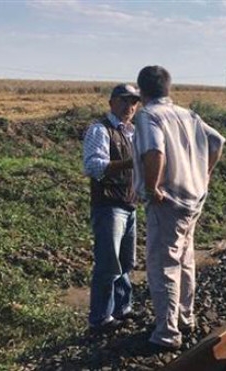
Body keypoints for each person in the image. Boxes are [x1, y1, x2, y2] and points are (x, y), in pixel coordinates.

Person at [132, 65, 226, 350]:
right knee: (185, 259)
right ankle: (186, 316)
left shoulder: (148, 115)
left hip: (169, 202)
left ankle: (167, 332)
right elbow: (218, 141)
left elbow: (155, 152)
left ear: (141, 91)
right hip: (194, 198)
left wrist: (152, 188)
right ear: (168, 88)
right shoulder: (189, 115)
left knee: (163, 265)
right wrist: (205, 172)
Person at [82, 83, 140, 332]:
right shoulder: (99, 130)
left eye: (134, 102)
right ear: (112, 103)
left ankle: (122, 309)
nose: (130, 106)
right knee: (108, 264)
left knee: (126, 262)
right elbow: (93, 167)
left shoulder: (133, 132)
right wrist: (131, 162)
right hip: (109, 205)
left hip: (129, 205)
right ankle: (100, 319)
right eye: (124, 100)